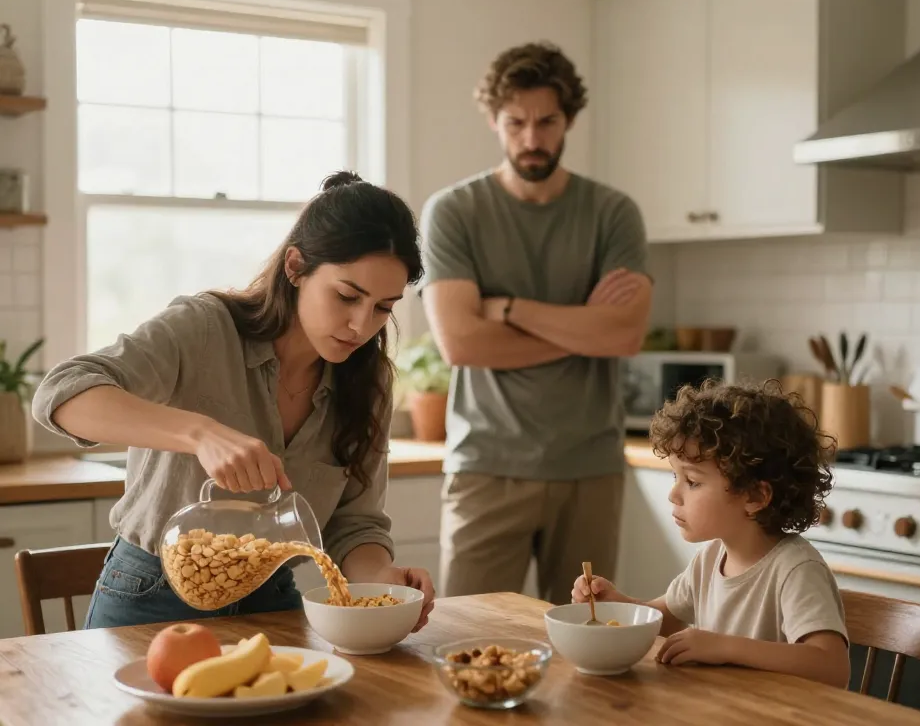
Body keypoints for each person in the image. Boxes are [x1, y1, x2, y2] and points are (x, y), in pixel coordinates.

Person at [32, 171, 436, 630]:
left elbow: (355, 525)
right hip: (149, 597)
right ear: (295, 268)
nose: (361, 326)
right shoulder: (204, 328)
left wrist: (384, 579)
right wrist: (200, 434)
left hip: (273, 600)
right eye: (347, 296)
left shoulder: (370, 384)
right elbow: (61, 392)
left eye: (384, 307)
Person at [418, 41, 652, 603]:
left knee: (589, 644)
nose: (531, 138)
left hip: (590, 467)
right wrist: (583, 328)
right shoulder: (453, 211)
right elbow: (462, 344)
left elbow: (623, 334)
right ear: (494, 121)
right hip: (486, 465)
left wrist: (511, 309)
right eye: (515, 122)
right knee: (469, 637)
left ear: (568, 118)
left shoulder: (612, 212)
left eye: (547, 121)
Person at [572, 380, 851, 689]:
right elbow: (665, 618)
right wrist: (617, 605)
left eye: (692, 481)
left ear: (755, 496)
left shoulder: (795, 570)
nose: (674, 495)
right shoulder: (711, 558)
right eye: (675, 477)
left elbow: (831, 666)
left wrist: (724, 646)